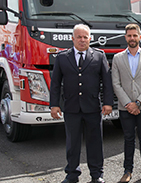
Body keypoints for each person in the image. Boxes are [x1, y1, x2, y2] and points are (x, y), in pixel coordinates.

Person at [50, 24, 113, 183]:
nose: (82, 40)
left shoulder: (99, 56)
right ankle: (72, 174)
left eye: (85, 37)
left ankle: (97, 174)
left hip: (92, 108)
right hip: (71, 108)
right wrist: (54, 105)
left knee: (95, 143)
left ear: (90, 39)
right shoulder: (62, 57)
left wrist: (107, 103)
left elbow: (107, 82)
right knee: (73, 144)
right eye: (79, 37)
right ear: (73, 39)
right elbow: (56, 83)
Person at [111, 24, 141, 183]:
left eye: (135, 35)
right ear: (126, 37)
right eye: (129, 36)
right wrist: (128, 104)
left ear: (140, 37)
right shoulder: (117, 58)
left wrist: (137, 102)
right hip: (125, 108)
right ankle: (127, 170)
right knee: (128, 139)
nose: (132, 38)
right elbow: (115, 84)